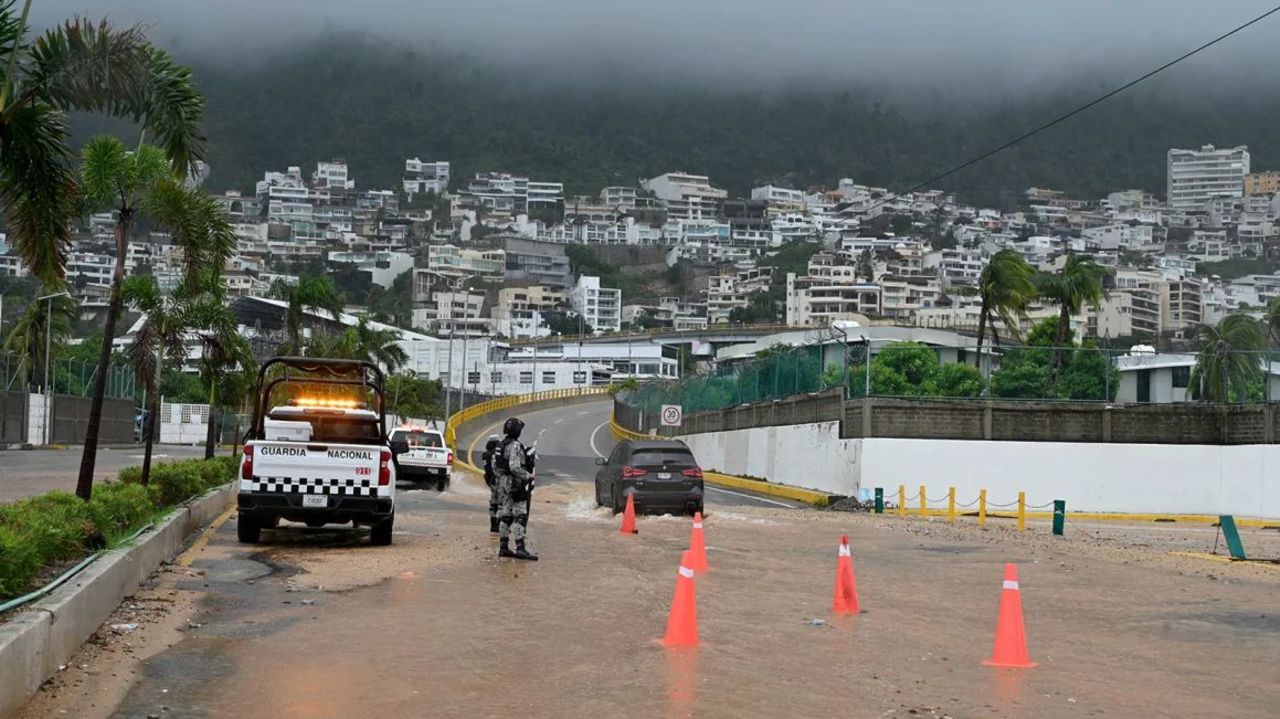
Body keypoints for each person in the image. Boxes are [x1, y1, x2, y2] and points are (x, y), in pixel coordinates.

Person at [494, 417, 537, 561]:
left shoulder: (500, 445)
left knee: (506, 515)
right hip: (515, 484)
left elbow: (495, 467)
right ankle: (520, 548)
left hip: (503, 483)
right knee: (520, 515)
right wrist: (527, 476)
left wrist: (503, 479)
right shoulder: (515, 446)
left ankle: (503, 547)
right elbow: (514, 467)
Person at [481, 434, 501, 533]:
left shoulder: (485, 454)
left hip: (491, 481)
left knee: (493, 503)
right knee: (501, 504)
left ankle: (493, 525)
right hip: (500, 481)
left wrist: (489, 481)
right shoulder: (498, 453)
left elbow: (487, 470)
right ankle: (500, 526)